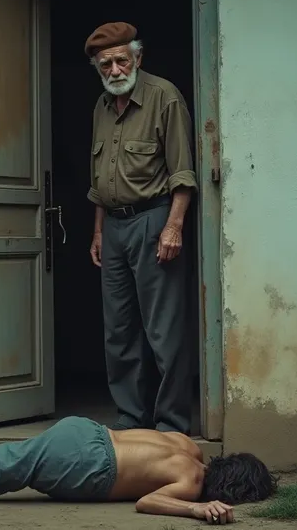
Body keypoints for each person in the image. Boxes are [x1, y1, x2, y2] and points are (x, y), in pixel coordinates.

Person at [0, 416, 277, 524]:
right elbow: (147, 502)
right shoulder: (193, 479)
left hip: (85, 432)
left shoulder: (187, 444)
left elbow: (130, 433)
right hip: (88, 464)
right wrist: (198, 510)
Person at [86, 22, 198, 434]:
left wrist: (174, 227)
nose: (115, 70)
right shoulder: (102, 105)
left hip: (155, 220)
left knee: (163, 330)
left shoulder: (163, 96)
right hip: (113, 228)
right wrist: (98, 232)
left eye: (121, 60)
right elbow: (99, 179)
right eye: (105, 64)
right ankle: (132, 421)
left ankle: (171, 426)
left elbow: (182, 172)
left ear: (137, 58)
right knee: (118, 331)